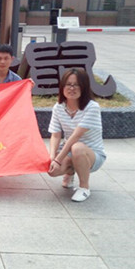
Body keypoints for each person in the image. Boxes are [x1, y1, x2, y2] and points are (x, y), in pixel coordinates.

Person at [47, 68, 106, 202]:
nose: (72, 88)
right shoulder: (58, 107)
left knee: (77, 147)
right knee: (53, 171)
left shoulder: (92, 107)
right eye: (68, 84)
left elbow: (75, 136)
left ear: (84, 87)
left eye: (76, 85)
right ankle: (70, 172)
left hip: (92, 154)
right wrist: (52, 157)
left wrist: (58, 159)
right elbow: (55, 135)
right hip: (70, 150)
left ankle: (84, 188)